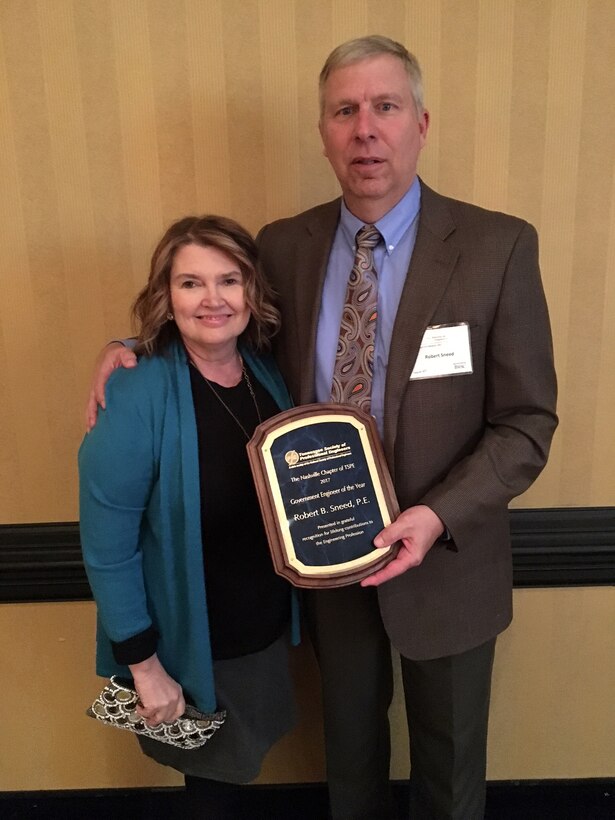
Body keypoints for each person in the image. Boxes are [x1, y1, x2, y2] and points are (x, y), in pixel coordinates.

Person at [87, 36, 558, 820]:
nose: (364, 129)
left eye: (384, 107)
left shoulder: (496, 247)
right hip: (326, 559)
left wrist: (433, 512)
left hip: (448, 561)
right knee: (349, 754)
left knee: (449, 769)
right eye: (344, 111)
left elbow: (526, 423)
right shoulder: (284, 245)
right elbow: (223, 326)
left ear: (420, 123)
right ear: (323, 133)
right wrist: (134, 345)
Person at [79, 215, 299, 820]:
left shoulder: (265, 372)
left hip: (259, 630)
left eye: (230, 280)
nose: (212, 300)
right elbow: (107, 547)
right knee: (211, 793)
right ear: (164, 295)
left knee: (235, 773)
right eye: (190, 283)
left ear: (252, 293)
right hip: (188, 643)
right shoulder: (133, 393)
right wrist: (144, 669)